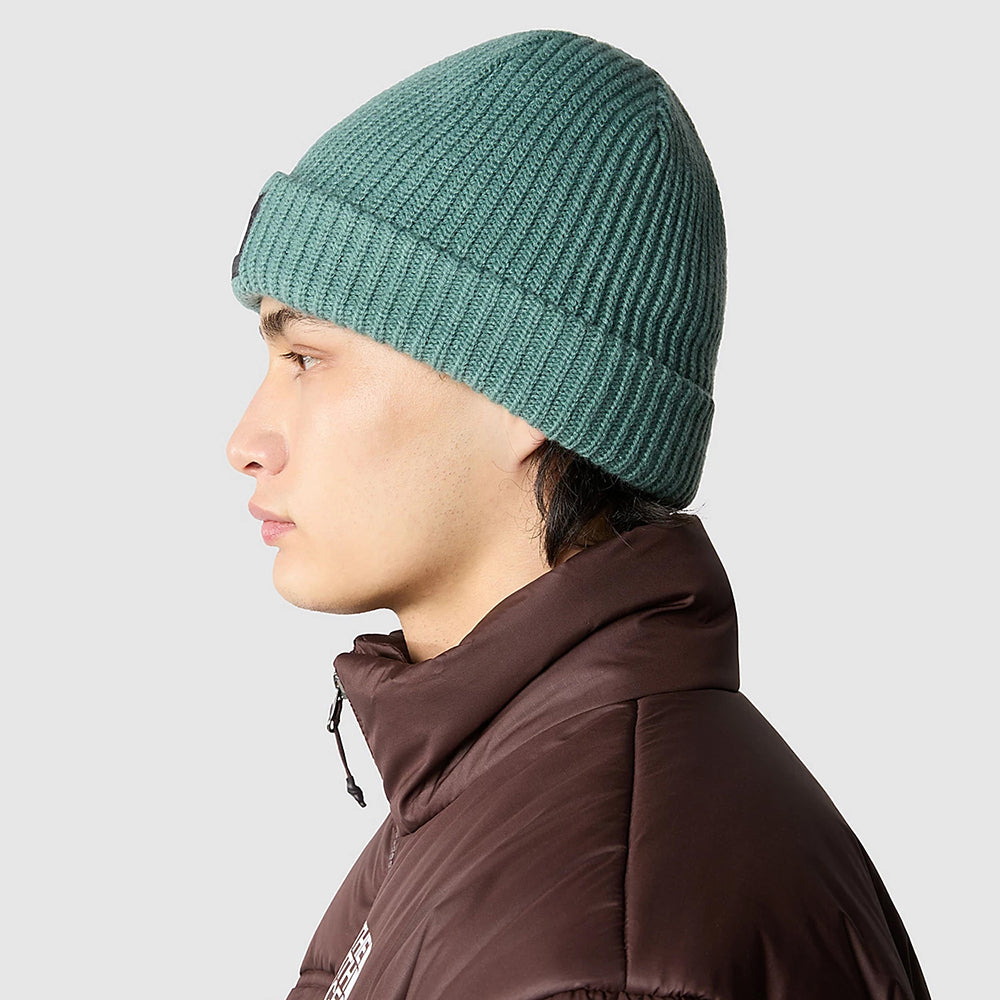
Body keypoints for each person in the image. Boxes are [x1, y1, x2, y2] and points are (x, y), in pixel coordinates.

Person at [225, 28, 931, 1000]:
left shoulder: (603, 948)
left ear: (526, 387)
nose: (246, 440)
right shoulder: (498, 790)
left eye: (305, 358)